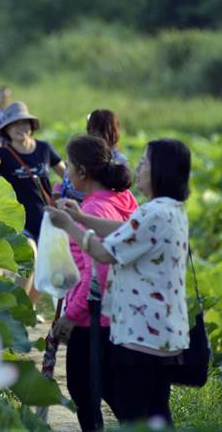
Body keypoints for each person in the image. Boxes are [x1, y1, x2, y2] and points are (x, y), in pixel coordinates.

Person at [46, 139, 192, 427]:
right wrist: (79, 216)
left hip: (141, 331)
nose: (136, 166)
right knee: (153, 411)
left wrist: (69, 226)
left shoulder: (154, 213)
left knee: (137, 412)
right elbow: (126, 229)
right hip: (161, 328)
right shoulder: (167, 210)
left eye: (145, 162)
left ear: (161, 171)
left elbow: (101, 254)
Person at [50, 135, 138, 431]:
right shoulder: (122, 198)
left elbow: (97, 273)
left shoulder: (95, 210)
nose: (67, 173)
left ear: (82, 172)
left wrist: (70, 317)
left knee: (85, 394)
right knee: (117, 394)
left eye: (69, 166)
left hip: (93, 320)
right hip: (121, 314)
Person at [0, 101, 66, 308]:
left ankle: (27, 309)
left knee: (44, 270)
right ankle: (14, 309)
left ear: (31, 126)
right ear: (7, 130)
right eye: (15, 125)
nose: (21, 128)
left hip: (45, 219)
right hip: (18, 220)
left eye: (24, 123)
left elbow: (66, 176)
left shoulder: (45, 149)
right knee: (29, 259)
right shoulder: (4, 153)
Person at [56, 109, 128, 201]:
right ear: (115, 130)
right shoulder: (120, 160)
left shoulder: (80, 155)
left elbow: (69, 185)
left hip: (79, 208)